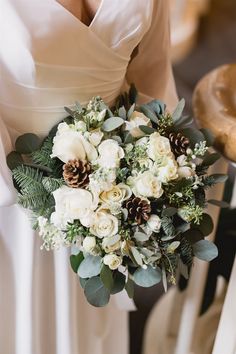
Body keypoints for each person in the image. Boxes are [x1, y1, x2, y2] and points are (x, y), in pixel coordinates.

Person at [0, 0, 177, 353]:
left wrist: (151, 172)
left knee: (90, 330)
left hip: (108, 208)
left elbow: (152, 75)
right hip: (16, 203)